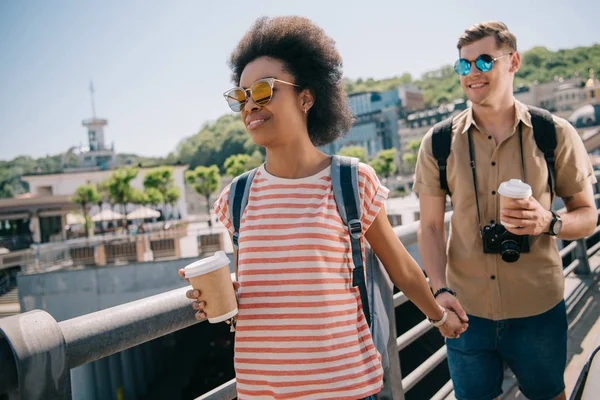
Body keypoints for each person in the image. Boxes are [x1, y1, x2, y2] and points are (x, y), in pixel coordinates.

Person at [179, 16, 466, 400]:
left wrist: (438, 316)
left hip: (345, 386)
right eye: (241, 96)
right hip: (262, 390)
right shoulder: (237, 195)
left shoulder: (352, 181)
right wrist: (225, 294)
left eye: (263, 91)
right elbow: (254, 281)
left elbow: (401, 268)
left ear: (306, 97)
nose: (250, 105)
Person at [414, 21, 597, 400]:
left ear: (513, 62)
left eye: (484, 60)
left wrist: (550, 221)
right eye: (463, 65)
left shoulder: (555, 133)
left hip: (538, 308)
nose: (473, 73)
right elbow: (430, 227)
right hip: (467, 314)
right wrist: (439, 292)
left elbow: (588, 216)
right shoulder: (438, 142)